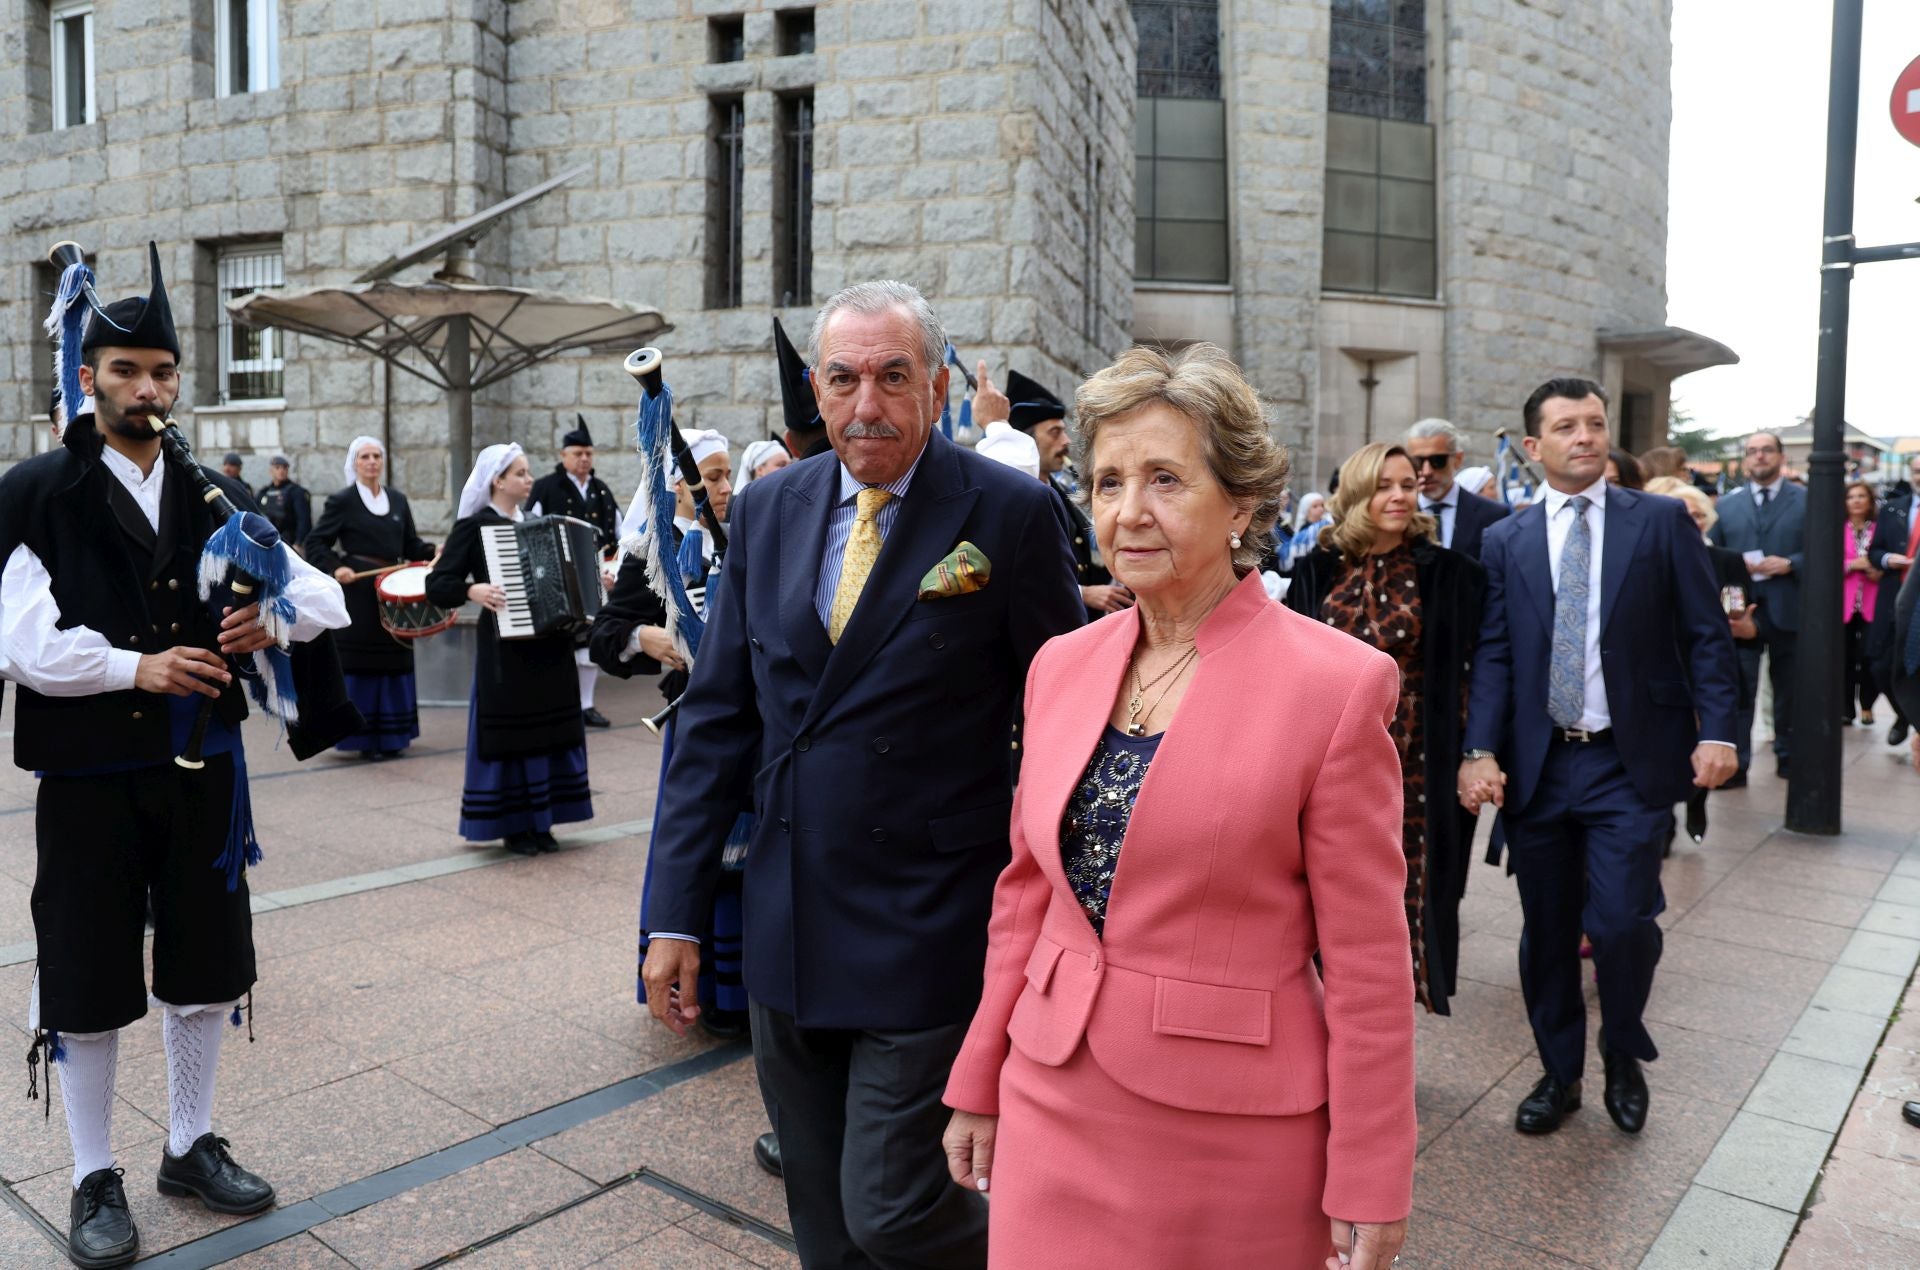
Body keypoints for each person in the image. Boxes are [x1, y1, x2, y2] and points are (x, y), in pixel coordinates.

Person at [639, 280, 1083, 1267]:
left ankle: (1039, 1244)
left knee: (890, 1205)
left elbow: (1066, 720)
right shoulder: (766, 508)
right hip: (788, 917)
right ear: (817, 386)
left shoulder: (1008, 515)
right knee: (825, 1223)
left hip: (929, 918)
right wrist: (672, 913)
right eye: (843, 379)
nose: (866, 404)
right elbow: (716, 720)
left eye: (891, 377)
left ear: (936, 385)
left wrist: (1056, 915)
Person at [941, 344, 1414, 1269]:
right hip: (1049, 1091)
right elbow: (1025, 900)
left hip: (1227, 1131)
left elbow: (1366, 963)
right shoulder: (1061, 665)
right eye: (1108, 482)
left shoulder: (1337, 686)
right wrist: (979, 1076)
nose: (1129, 512)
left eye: (1165, 478)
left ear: (1240, 502)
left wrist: (1371, 1170)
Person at [0, 244, 352, 1268]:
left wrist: (269, 623)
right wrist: (138, 669)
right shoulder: (35, 493)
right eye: (125, 371)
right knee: (88, 968)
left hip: (203, 770)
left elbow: (321, 597)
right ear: (88, 378)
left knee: (200, 964)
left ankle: (188, 1143)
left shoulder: (214, 494)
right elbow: (23, 643)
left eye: (161, 371)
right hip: (86, 775)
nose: (145, 388)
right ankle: (90, 1171)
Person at [1458, 377, 1738, 1139]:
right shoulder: (1505, 540)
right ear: (1532, 447)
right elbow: (1495, 654)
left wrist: (1719, 730)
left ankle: (1622, 1047)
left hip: (1630, 761)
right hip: (1540, 768)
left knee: (1619, 923)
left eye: (1594, 423)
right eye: (1566, 426)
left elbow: (1706, 635)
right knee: (1547, 929)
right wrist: (1478, 748)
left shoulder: (1660, 522)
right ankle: (1560, 1072)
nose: (1584, 436)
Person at [1285, 442, 1486, 1016]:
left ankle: (1383, 1031)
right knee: (1320, 888)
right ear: (1355, 494)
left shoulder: (1449, 573)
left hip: (1415, 757)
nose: (1399, 495)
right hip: (1323, 756)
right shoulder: (1315, 569)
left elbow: (1472, 669)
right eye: (1384, 485)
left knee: (1402, 895)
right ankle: (1319, 1023)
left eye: (1407, 484)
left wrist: (1475, 753)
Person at [592, 429, 747, 1041]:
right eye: (711, 476)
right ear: (679, 484)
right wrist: (647, 640)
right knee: (704, 853)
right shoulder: (652, 549)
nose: (725, 487)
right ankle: (708, 991)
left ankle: (750, 988)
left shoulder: (748, 539)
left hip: (757, 724)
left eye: (728, 473)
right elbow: (607, 634)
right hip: (694, 723)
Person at [425, 444, 593, 855]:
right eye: (519, 473)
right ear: (497, 481)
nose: (528, 478)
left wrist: (592, 589)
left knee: (551, 730)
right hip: (506, 651)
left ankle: (545, 820)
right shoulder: (475, 527)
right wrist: (472, 589)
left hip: (550, 649)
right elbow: (437, 584)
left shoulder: (541, 523)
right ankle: (517, 825)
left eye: (528, 472)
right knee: (514, 736)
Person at [303, 437, 435, 759]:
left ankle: (393, 737)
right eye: (365, 456)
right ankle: (361, 739)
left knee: (395, 658)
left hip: (393, 593)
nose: (373, 462)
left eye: (377, 456)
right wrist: (337, 568)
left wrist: (433, 553)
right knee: (362, 663)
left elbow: (411, 545)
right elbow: (316, 542)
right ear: (355, 463)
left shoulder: (398, 501)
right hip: (360, 596)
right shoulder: (342, 501)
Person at [1646, 477, 1758, 833]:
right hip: (1663, 664)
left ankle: (1697, 803)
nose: (1690, 520)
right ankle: (1663, 822)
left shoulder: (1724, 559)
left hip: (1704, 663)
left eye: (1696, 513)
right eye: (1683, 513)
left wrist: (1741, 623)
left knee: (1704, 739)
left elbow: (1739, 606)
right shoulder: (1647, 558)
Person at [976, 365, 1132, 618]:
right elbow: (1023, 571)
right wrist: (1084, 593)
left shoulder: (1060, 491)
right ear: (1027, 441)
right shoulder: (1018, 491)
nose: (1066, 442)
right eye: (1055, 432)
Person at [1708, 430, 1806, 778]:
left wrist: (1791, 562)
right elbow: (1714, 557)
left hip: (1788, 608)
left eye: (1766, 450)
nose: (1759, 456)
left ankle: (1789, 758)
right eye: (1752, 451)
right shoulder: (1728, 504)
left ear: (1780, 457)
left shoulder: (1806, 501)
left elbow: (1824, 551)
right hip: (1738, 609)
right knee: (1739, 688)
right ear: (1745, 459)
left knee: (1789, 691)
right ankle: (1736, 765)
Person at [530, 416, 625, 729]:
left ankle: (585, 705)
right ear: (563, 455)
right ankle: (558, 703)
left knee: (588, 645)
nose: (584, 459)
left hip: (596, 582)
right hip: (555, 581)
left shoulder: (601, 491)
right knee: (557, 644)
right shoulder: (544, 489)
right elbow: (530, 534)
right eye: (577, 453)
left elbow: (622, 539)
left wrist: (613, 571)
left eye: (588, 453)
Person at [1867, 454, 1920, 746]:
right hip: (1893, 599)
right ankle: (1905, 713)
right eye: (1916, 471)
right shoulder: (1893, 509)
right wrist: (1888, 559)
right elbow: (1875, 551)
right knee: (1880, 666)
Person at [1406, 417, 1511, 558]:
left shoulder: (1493, 515)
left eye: (1437, 461)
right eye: (1417, 462)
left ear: (1458, 459)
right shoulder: (1399, 512)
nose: (1426, 471)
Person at [1842, 480, 1884, 727]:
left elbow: (1885, 556)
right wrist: (1850, 565)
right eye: (1851, 497)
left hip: (1872, 600)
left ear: (1869, 501)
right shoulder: (1838, 529)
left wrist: (1878, 568)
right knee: (1844, 657)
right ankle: (1846, 708)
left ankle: (1867, 704)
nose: (1856, 501)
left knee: (1869, 656)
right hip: (1844, 604)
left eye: (1861, 496)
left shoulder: (1879, 529)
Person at [257, 456, 311, 557]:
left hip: (289, 542)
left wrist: (298, 543)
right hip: (266, 543)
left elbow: (303, 520)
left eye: (284, 468)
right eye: (277, 468)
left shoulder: (296, 492)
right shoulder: (264, 492)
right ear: (271, 470)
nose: (281, 471)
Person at [1288, 490, 1331, 565]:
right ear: (1306, 510)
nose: (1320, 509)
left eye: (1322, 505)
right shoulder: (1303, 531)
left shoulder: (1328, 526)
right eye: (1315, 506)